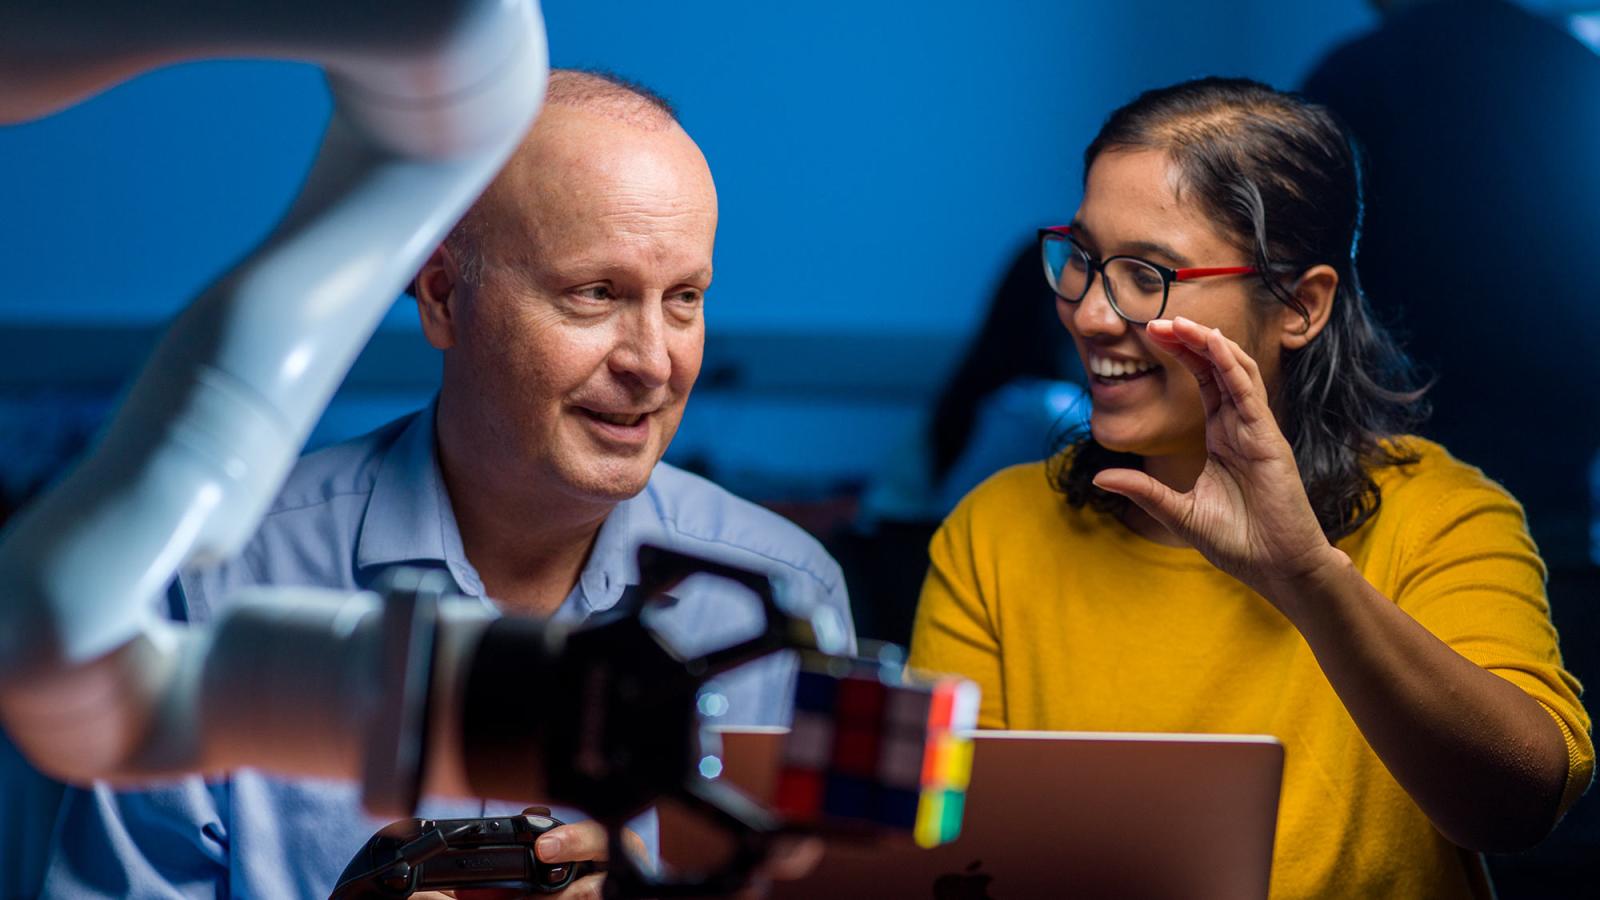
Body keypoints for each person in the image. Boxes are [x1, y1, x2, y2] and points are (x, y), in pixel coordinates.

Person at [33, 69, 853, 899]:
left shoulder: (787, 602)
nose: (651, 361)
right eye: (595, 294)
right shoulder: (215, 582)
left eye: (683, 300)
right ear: (443, 297)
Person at [909, 77, 1592, 898]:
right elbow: (939, 850)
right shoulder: (998, 530)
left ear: (1300, 307)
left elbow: (1516, 809)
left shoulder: (1442, 515)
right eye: (1083, 260)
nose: (1091, 314)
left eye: (1148, 274)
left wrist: (1306, 578)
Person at [1301, 0, 1600, 568]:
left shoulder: (1356, 77)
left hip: (1395, 455)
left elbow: (1305, 264)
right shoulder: (1574, 66)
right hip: (1557, 467)